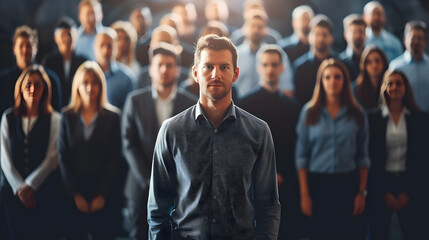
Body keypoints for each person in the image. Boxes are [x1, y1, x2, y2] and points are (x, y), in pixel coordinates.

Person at [148, 34, 280, 239]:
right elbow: (158, 209)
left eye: (224, 67)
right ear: (195, 73)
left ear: (235, 74)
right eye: (208, 66)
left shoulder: (258, 131)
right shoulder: (171, 130)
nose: (215, 74)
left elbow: (268, 207)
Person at [122, 42, 197, 240]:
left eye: (170, 65)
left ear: (177, 70)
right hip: (140, 186)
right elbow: (128, 143)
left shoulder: (190, 103)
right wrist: (148, 180)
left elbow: (192, 146)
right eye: (160, 65)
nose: (164, 69)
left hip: (178, 188)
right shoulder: (135, 101)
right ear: (151, 70)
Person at [295, 59, 370, 239]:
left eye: (337, 77)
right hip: (318, 186)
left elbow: (363, 157)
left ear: (344, 81)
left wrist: (361, 192)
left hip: (348, 185)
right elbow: (301, 157)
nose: (332, 81)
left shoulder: (357, 113)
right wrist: (305, 195)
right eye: (327, 77)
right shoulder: (309, 112)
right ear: (321, 81)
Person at [238, 44, 300, 239]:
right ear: (259, 68)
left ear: (282, 68)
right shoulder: (245, 105)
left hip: (287, 181)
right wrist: (265, 175)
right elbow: (244, 147)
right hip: (254, 185)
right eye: (266, 65)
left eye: (274, 65)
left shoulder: (293, 106)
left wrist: (281, 173)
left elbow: (294, 147)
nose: (270, 69)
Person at [58, 61, 122, 240]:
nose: (89, 87)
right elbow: (63, 157)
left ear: (101, 86)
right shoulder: (66, 116)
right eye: (85, 82)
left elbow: (115, 158)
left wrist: (102, 194)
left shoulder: (113, 117)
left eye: (94, 82)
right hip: (74, 194)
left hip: (104, 194)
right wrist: (75, 194)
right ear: (77, 85)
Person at [0, 65, 61, 239]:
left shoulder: (55, 119)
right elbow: (4, 159)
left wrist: (31, 186)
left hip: (43, 194)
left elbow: (52, 158)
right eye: (28, 85)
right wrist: (20, 188)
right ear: (20, 87)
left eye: (38, 85)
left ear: (45, 88)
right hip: (13, 195)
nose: (33, 89)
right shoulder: (8, 118)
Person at [367, 70, 429, 239]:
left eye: (399, 83)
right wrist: (384, 191)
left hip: (409, 183)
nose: (394, 87)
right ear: (384, 88)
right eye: (390, 83)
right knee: (378, 233)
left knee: (415, 233)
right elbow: (370, 159)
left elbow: (422, 160)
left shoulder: (420, 119)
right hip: (381, 183)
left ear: (406, 88)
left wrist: (408, 191)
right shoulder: (373, 119)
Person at [0, 25, 62, 115]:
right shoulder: (3, 81)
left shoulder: (50, 79)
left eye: (28, 46)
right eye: (21, 46)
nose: (25, 50)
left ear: (36, 48)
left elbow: (56, 115)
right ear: (14, 49)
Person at [235, 9, 293, 99]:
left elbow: (287, 89)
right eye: (252, 26)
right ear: (244, 28)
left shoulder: (278, 55)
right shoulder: (236, 56)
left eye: (260, 27)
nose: (255, 30)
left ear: (266, 29)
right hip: (241, 107)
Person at [293, 14, 338, 107]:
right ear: (309, 37)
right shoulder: (299, 67)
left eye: (324, 35)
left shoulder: (340, 64)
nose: (321, 39)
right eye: (317, 34)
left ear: (331, 38)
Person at [43, 16, 88, 107]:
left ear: (76, 36)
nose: (67, 39)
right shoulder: (48, 61)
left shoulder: (84, 61)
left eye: (70, 35)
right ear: (56, 38)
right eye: (63, 35)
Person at [390, 20, 429, 114]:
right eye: (413, 37)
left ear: (424, 41)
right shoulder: (395, 67)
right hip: (405, 119)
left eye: (419, 38)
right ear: (405, 40)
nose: (416, 41)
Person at [94, 28, 135, 111]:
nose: (105, 51)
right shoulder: (84, 75)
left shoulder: (127, 78)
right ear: (94, 47)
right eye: (102, 45)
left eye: (109, 46)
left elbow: (129, 113)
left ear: (116, 48)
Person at [340, 14, 367, 81]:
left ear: (365, 34)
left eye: (361, 32)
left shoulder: (372, 59)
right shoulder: (340, 61)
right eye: (354, 32)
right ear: (346, 35)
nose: (358, 35)